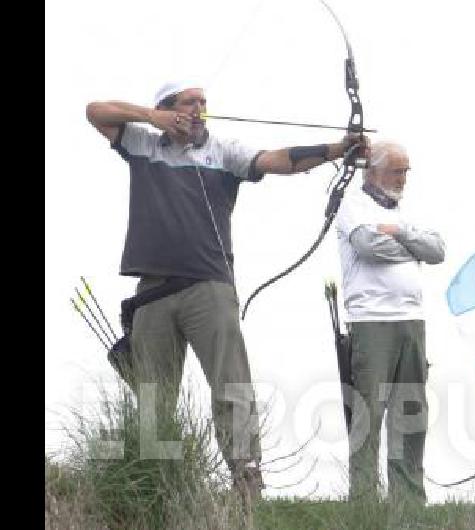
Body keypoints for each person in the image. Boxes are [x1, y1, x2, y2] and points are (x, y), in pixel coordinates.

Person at [85, 80, 362, 505]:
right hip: (153, 292)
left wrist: (337, 148)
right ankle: (153, 486)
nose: (199, 109)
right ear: (167, 110)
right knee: (153, 395)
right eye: (188, 103)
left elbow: (279, 160)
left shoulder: (223, 151)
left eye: (203, 103)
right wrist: (148, 116)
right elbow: (94, 110)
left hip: (208, 287)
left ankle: (246, 484)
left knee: (231, 384)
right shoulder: (144, 143)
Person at [335, 141, 445, 506]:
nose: (403, 178)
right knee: (369, 413)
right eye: (397, 170)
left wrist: (399, 233)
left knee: (411, 411)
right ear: (374, 171)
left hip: (412, 320)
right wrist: (413, 246)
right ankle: (364, 501)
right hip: (372, 321)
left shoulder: (405, 212)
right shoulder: (353, 205)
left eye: (406, 170)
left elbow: (437, 251)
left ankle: (408, 499)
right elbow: (369, 247)